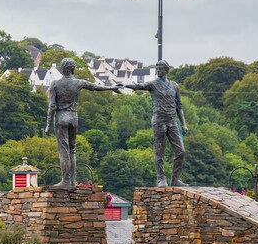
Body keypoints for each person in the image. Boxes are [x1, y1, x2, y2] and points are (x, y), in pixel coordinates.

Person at [45, 57, 121, 187]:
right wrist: (112, 88)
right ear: (73, 69)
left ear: (62, 69)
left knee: (64, 151)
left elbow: (52, 106)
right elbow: (96, 87)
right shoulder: (78, 83)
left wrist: (47, 125)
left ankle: (65, 181)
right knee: (72, 150)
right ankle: (72, 180)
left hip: (61, 118)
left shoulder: (55, 84)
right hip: (74, 118)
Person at [125, 60, 189, 187]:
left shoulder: (174, 86)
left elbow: (179, 106)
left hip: (172, 121)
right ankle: (161, 178)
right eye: (157, 68)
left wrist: (184, 124)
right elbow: (138, 86)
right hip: (159, 121)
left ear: (166, 70)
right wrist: (124, 85)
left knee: (181, 151)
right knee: (159, 151)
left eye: (160, 68)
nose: (158, 70)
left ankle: (175, 179)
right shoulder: (153, 84)